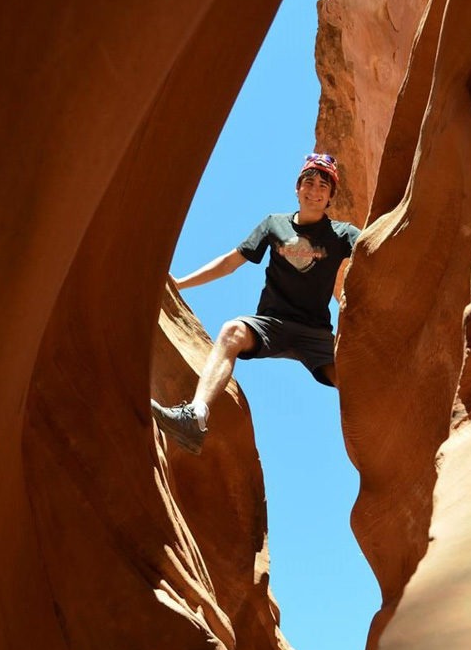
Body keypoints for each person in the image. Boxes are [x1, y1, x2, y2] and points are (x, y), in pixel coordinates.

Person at [151, 153, 360, 454]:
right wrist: (179, 284)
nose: (314, 190)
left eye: (323, 186)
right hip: (271, 325)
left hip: (314, 332)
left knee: (351, 376)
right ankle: (195, 416)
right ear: (298, 188)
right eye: (309, 182)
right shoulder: (274, 225)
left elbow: (374, 255)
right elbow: (229, 263)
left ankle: (385, 439)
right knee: (232, 331)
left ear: (330, 197)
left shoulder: (342, 234)